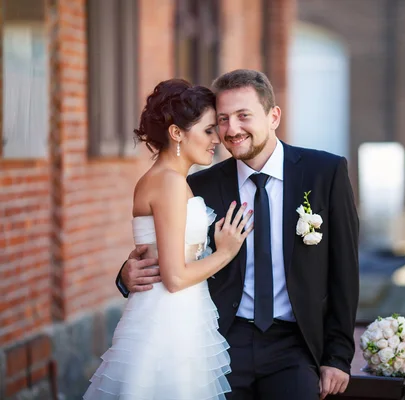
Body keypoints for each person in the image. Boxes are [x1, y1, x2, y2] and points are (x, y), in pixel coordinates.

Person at [117, 69, 360, 400]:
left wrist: (338, 357)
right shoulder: (198, 185)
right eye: (222, 119)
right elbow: (173, 249)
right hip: (220, 341)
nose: (231, 130)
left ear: (273, 116)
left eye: (243, 116)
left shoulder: (325, 173)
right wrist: (126, 274)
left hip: (294, 344)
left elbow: (344, 272)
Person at [84, 79, 253, 399]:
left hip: (176, 311)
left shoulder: (167, 180)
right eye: (207, 130)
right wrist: (226, 252)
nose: (216, 138)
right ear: (177, 133)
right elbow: (175, 277)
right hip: (168, 317)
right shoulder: (170, 184)